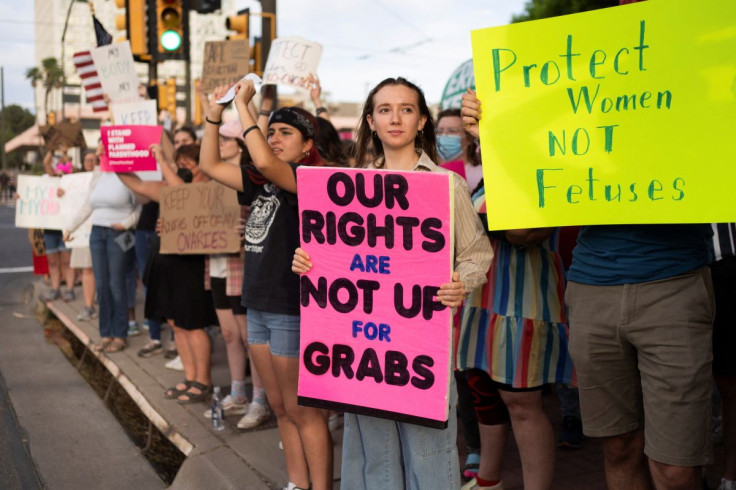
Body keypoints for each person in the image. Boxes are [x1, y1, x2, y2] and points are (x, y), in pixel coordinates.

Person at [293, 77, 492, 490]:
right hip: (363, 352)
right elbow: (335, 254)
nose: (395, 117)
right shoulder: (348, 188)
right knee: (373, 459)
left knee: (429, 457)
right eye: (385, 109)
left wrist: (461, 283)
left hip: (422, 350)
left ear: (421, 121)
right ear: (371, 120)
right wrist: (308, 262)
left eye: (406, 109)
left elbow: (477, 255)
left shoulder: (446, 185)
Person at [199, 81, 332, 490]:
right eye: (270, 132)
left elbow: (268, 161)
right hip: (257, 302)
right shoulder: (262, 181)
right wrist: (212, 116)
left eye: (284, 133)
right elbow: (210, 166)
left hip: (291, 306)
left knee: (303, 410)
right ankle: (298, 483)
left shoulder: (310, 178)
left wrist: (244, 107)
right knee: (279, 406)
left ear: (308, 144)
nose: (273, 139)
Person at [118, 144, 217, 403]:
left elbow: (184, 192)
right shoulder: (168, 190)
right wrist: (115, 161)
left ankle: (203, 381)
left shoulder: (209, 190)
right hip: (165, 262)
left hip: (190, 266)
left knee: (192, 323)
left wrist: (161, 159)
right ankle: (190, 376)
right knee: (175, 323)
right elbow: (138, 186)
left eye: (188, 164)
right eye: (180, 164)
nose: (183, 169)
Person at [200, 118, 270, 430]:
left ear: (240, 145)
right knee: (229, 334)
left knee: (248, 337)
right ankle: (238, 391)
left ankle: (259, 399)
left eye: (226, 139)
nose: (221, 144)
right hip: (215, 263)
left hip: (239, 265)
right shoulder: (208, 182)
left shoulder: (248, 182)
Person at [64, 146, 141, 353]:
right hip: (97, 233)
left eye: (103, 150)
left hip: (119, 234)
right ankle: (106, 333)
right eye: (99, 150)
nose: (99, 154)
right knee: (102, 285)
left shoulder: (129, 173)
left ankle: (120, 334)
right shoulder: (99, 174)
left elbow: (140, 204)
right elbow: (88, 205)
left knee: (117, 284)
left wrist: (126, 224)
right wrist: (71, 226)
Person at [57, 149, 98, 321]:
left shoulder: (105, 176)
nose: (90, 162)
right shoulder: (75, 180)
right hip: (83, 231)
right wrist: (61, 193)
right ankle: (89, 306)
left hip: (101, 228)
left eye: (93, 159)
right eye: (87, 159)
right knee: (87, 268)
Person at [710, 224, 736, 490]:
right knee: (682, 380)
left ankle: (731, 476)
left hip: (726, 261)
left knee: (730, 385)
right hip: (672, 267)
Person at [40, 146, 76, 302]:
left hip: (65, 226)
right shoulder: (47, 179)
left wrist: (66, 154)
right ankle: (55, 288)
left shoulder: (70, 180)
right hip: (50, 226)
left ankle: (69, 288)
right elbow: (46, 163)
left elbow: (71, 168)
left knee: (67, 259)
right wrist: (51, 146)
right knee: (53, 259)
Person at [436, 108, 482, 191]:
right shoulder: (432, 173)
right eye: (440, 131)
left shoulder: (483, 173)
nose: (444, 135)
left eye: (452, 131)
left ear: (468, 138)